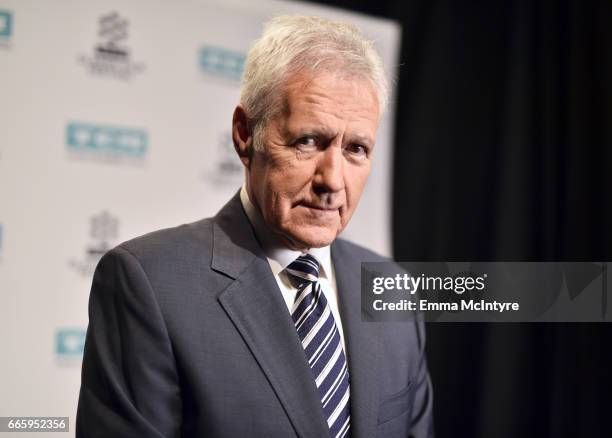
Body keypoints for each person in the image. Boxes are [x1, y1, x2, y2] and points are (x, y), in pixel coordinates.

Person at [76, 15, 434, 438]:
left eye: (356, 149)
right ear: (246, 135)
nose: (332, 181)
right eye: (309, 141)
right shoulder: (149, 283)